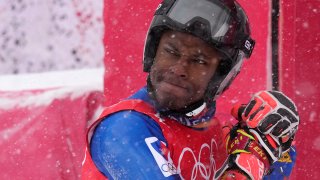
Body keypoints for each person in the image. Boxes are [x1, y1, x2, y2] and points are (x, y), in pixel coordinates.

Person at [82, 0, 299, 179]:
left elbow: (276, 167)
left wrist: (272, 153)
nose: (179, 69)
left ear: (219, 76)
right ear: (153, 52)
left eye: (199, 61)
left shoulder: (216, 133)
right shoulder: (123, 129)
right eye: (171, 51)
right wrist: (238, 173)